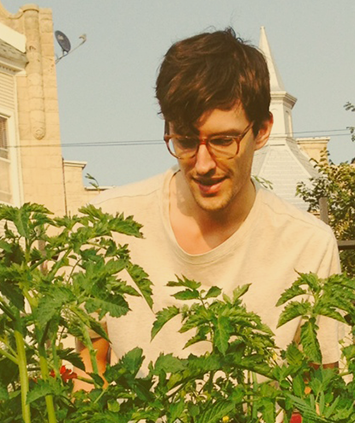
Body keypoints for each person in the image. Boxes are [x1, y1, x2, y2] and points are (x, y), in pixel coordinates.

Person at [89, 28, 341, 372]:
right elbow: (87, 368)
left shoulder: (308, 245)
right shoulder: (110, 225)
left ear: (263, 130)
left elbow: (324, 392)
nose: (203, 165)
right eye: (186, 141)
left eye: (223, 140)